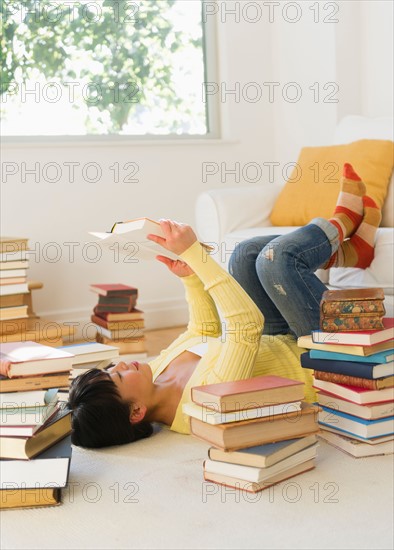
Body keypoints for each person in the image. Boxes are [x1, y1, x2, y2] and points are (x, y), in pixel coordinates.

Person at [67, 163, 381, 449]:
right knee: (276, 261)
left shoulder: (156, 374)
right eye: (119, 378)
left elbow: (203, 332)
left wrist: (190, 278)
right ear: (136, 412)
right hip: (322, 361)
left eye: (111, 368)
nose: (121, 365)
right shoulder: (203, 403)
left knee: (244, 255)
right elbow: (245, 326)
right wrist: (196, 255)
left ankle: (350, 255)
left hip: (279, 339)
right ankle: (340, 224)